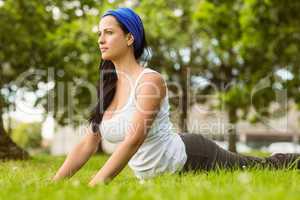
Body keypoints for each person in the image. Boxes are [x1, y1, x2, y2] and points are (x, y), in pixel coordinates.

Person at [52, 7, 300, 186]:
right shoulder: (109, 87)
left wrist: (96, 185)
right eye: (99, 34)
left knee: (261, 167)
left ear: (130, 38)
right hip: (157, 177)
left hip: (192, 156)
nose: (100, 40)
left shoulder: (150, 81)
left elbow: (133, 139)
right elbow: (88, 142)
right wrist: (55, 184)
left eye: (108, 33)